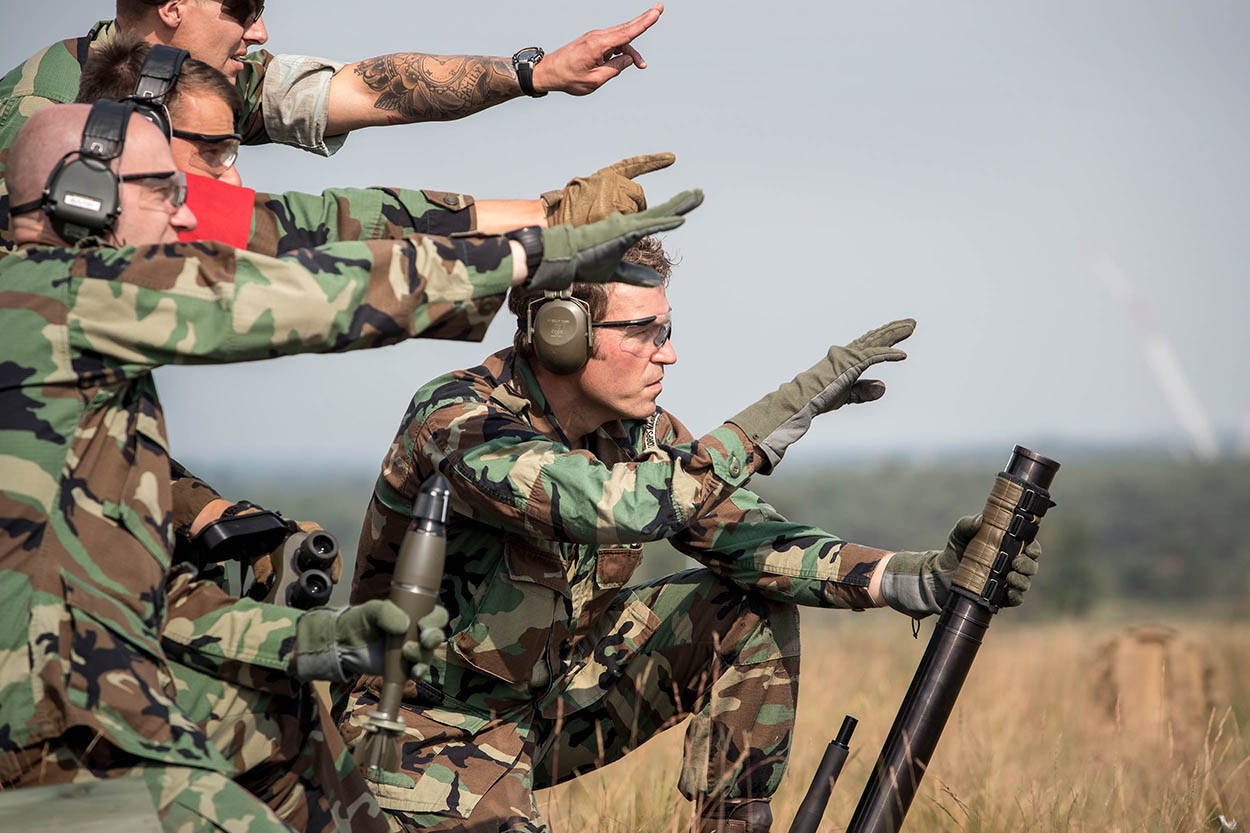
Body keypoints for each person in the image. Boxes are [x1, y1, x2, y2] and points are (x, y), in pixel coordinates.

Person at [0, 101, 697, 832]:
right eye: (164, 190)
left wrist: (322, 641)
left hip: (103, 713)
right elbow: (302, 295)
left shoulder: (88, 368)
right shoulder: (47, 300)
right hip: (58, 734)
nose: (186, 215)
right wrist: (528, 253)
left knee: (287, 734)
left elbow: (141, 595)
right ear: (84, 195)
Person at [341, 239, 1042, 833]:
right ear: (561, 332)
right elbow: (613, 505)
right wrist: (774, 419)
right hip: (425, 729)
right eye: (643, 332)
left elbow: (748, 539)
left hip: (547, 708)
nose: (667, 355)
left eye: (667, 329)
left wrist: (920, 577)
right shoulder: (460, 420)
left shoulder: (635, 432)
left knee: (745, 605)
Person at [69, 36, 677, 592]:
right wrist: (535, 247)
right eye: (215, 152)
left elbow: (329, 224)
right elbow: (335, 291)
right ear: (126, 146)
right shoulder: (73, 285)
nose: (233, 175)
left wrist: (203, 510)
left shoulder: (104, 237)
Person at [0, 0, 666, 236]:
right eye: (243, 7)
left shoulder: (195, 82)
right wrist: (540, 220)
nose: (260, 32)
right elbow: (282, 233)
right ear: (174, 6)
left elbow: (372, 90)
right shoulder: (45, 124)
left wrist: (538, 73)